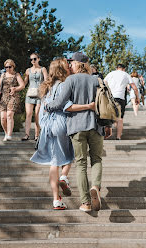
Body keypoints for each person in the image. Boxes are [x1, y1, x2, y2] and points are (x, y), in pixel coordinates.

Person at [30, 58, 95, 210]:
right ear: (62, 69)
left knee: (54, 162)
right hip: (60, 123)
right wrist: (89, 106)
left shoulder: (46, 87)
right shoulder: (64, 84)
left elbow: (39, 110)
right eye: (67, 66)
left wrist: (38, 128)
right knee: (71, 153)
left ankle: (56, 200)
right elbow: (68, 107)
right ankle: (64, 177)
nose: (69, 67)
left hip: (46, 126)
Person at [45, 52, 104, 213]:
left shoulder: (71, 80)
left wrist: (47, 106)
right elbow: (106, 103)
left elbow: (59, 103)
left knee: (81, 164)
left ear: (79, 64)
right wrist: (109, 124)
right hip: (96, 126)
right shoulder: (97, 80)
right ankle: (96, 187)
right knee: (97, 159)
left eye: (72, 62)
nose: (70, 65)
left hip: (77, 127)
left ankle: (85, 202)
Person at [104, 64, 139, 140]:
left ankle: (105, 136)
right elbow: (135, 88)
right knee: (120, 118)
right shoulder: (126, 75)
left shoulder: (110, 74)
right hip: (120, 98)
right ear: (124, 69)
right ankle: (118, 137)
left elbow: (103, 84)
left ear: (117, 68)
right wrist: (137, 98)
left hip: (110, 98)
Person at [0, 59, 25, 142]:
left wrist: (15, 88)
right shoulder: (3, 75)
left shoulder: (16, 75)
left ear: (13, 66)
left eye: (9, 67)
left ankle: (9, 135)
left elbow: (22, 85)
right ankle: (6, 133)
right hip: (3, 97)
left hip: (13, 96)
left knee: (9, 115)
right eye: (6, 67)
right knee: (3, 118)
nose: (8, 68)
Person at [22, 53, 47, 142]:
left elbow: (46, 81)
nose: (33, 61)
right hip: (30, 94)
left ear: (39, 59)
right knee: (28, 114)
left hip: (40, 95)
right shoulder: (28, 70)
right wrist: (15, 88)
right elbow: (24, 83)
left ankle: (37, 135)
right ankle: (26, 134)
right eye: (31, 59)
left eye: (34, 59)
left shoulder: (43, 69)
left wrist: (46, 93)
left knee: (37, 115)